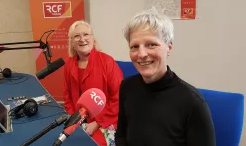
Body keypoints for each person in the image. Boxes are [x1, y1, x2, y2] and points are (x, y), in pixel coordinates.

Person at [115, 9, 216, 146]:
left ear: (169, 48)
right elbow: (121, 136)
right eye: (134, 46)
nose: (142, 54)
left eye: (151, 44)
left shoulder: (192, 102)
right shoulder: (127, 87)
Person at [63, 20, 123, 146]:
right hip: (78, 120)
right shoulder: (68, 64)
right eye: (77, 36)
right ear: (72, 42)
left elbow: (119, 98)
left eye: (86, 34)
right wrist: (73, 119)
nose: (82, 39)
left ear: (93, 39)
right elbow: (67, 95)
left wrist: (97, 123)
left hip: (106, 121)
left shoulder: (107, 62)